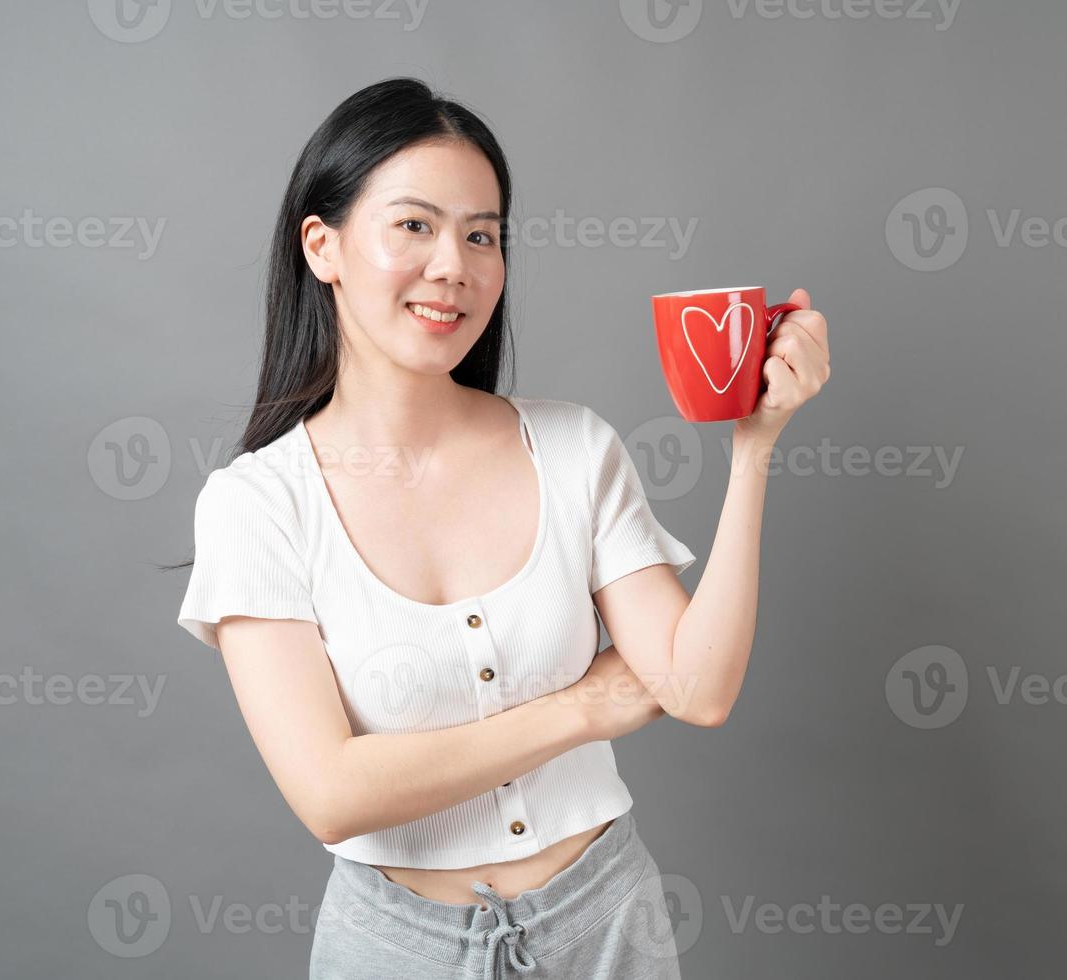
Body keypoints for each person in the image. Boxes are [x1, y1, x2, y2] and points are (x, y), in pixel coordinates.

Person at [173, 76, 830, 979]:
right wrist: (584, 706)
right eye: (414, 225)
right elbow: (331, 793)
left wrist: (754, 449)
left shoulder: (572, 447)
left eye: (482, 234)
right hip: (393, 950)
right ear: (322, 246)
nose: (455, 264)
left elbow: (697, 687)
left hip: (607, 927)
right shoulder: (256, 504)